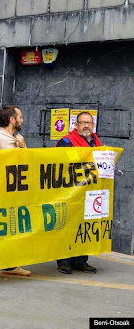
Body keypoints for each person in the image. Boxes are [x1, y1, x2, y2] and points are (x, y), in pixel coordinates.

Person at [0, 105, 31, 282]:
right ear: (12, 120)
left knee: (9, 231)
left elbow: (25, 164)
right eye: (20, 117)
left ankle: (10, 265)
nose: (22, 120)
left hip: (12, 194)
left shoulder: (15, 139)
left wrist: (23, 147)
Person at [55, 112, 101, 274]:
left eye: (89, 123)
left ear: (93, 125)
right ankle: (64, 261)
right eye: (83, 123)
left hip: (88, 193)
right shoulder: (66, 142)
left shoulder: (96, 142)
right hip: (69, 193)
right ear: (76, 125)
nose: (86, 126)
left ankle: (80, 260)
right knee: (68, 226)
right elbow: (60, 167)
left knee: (84, 226)